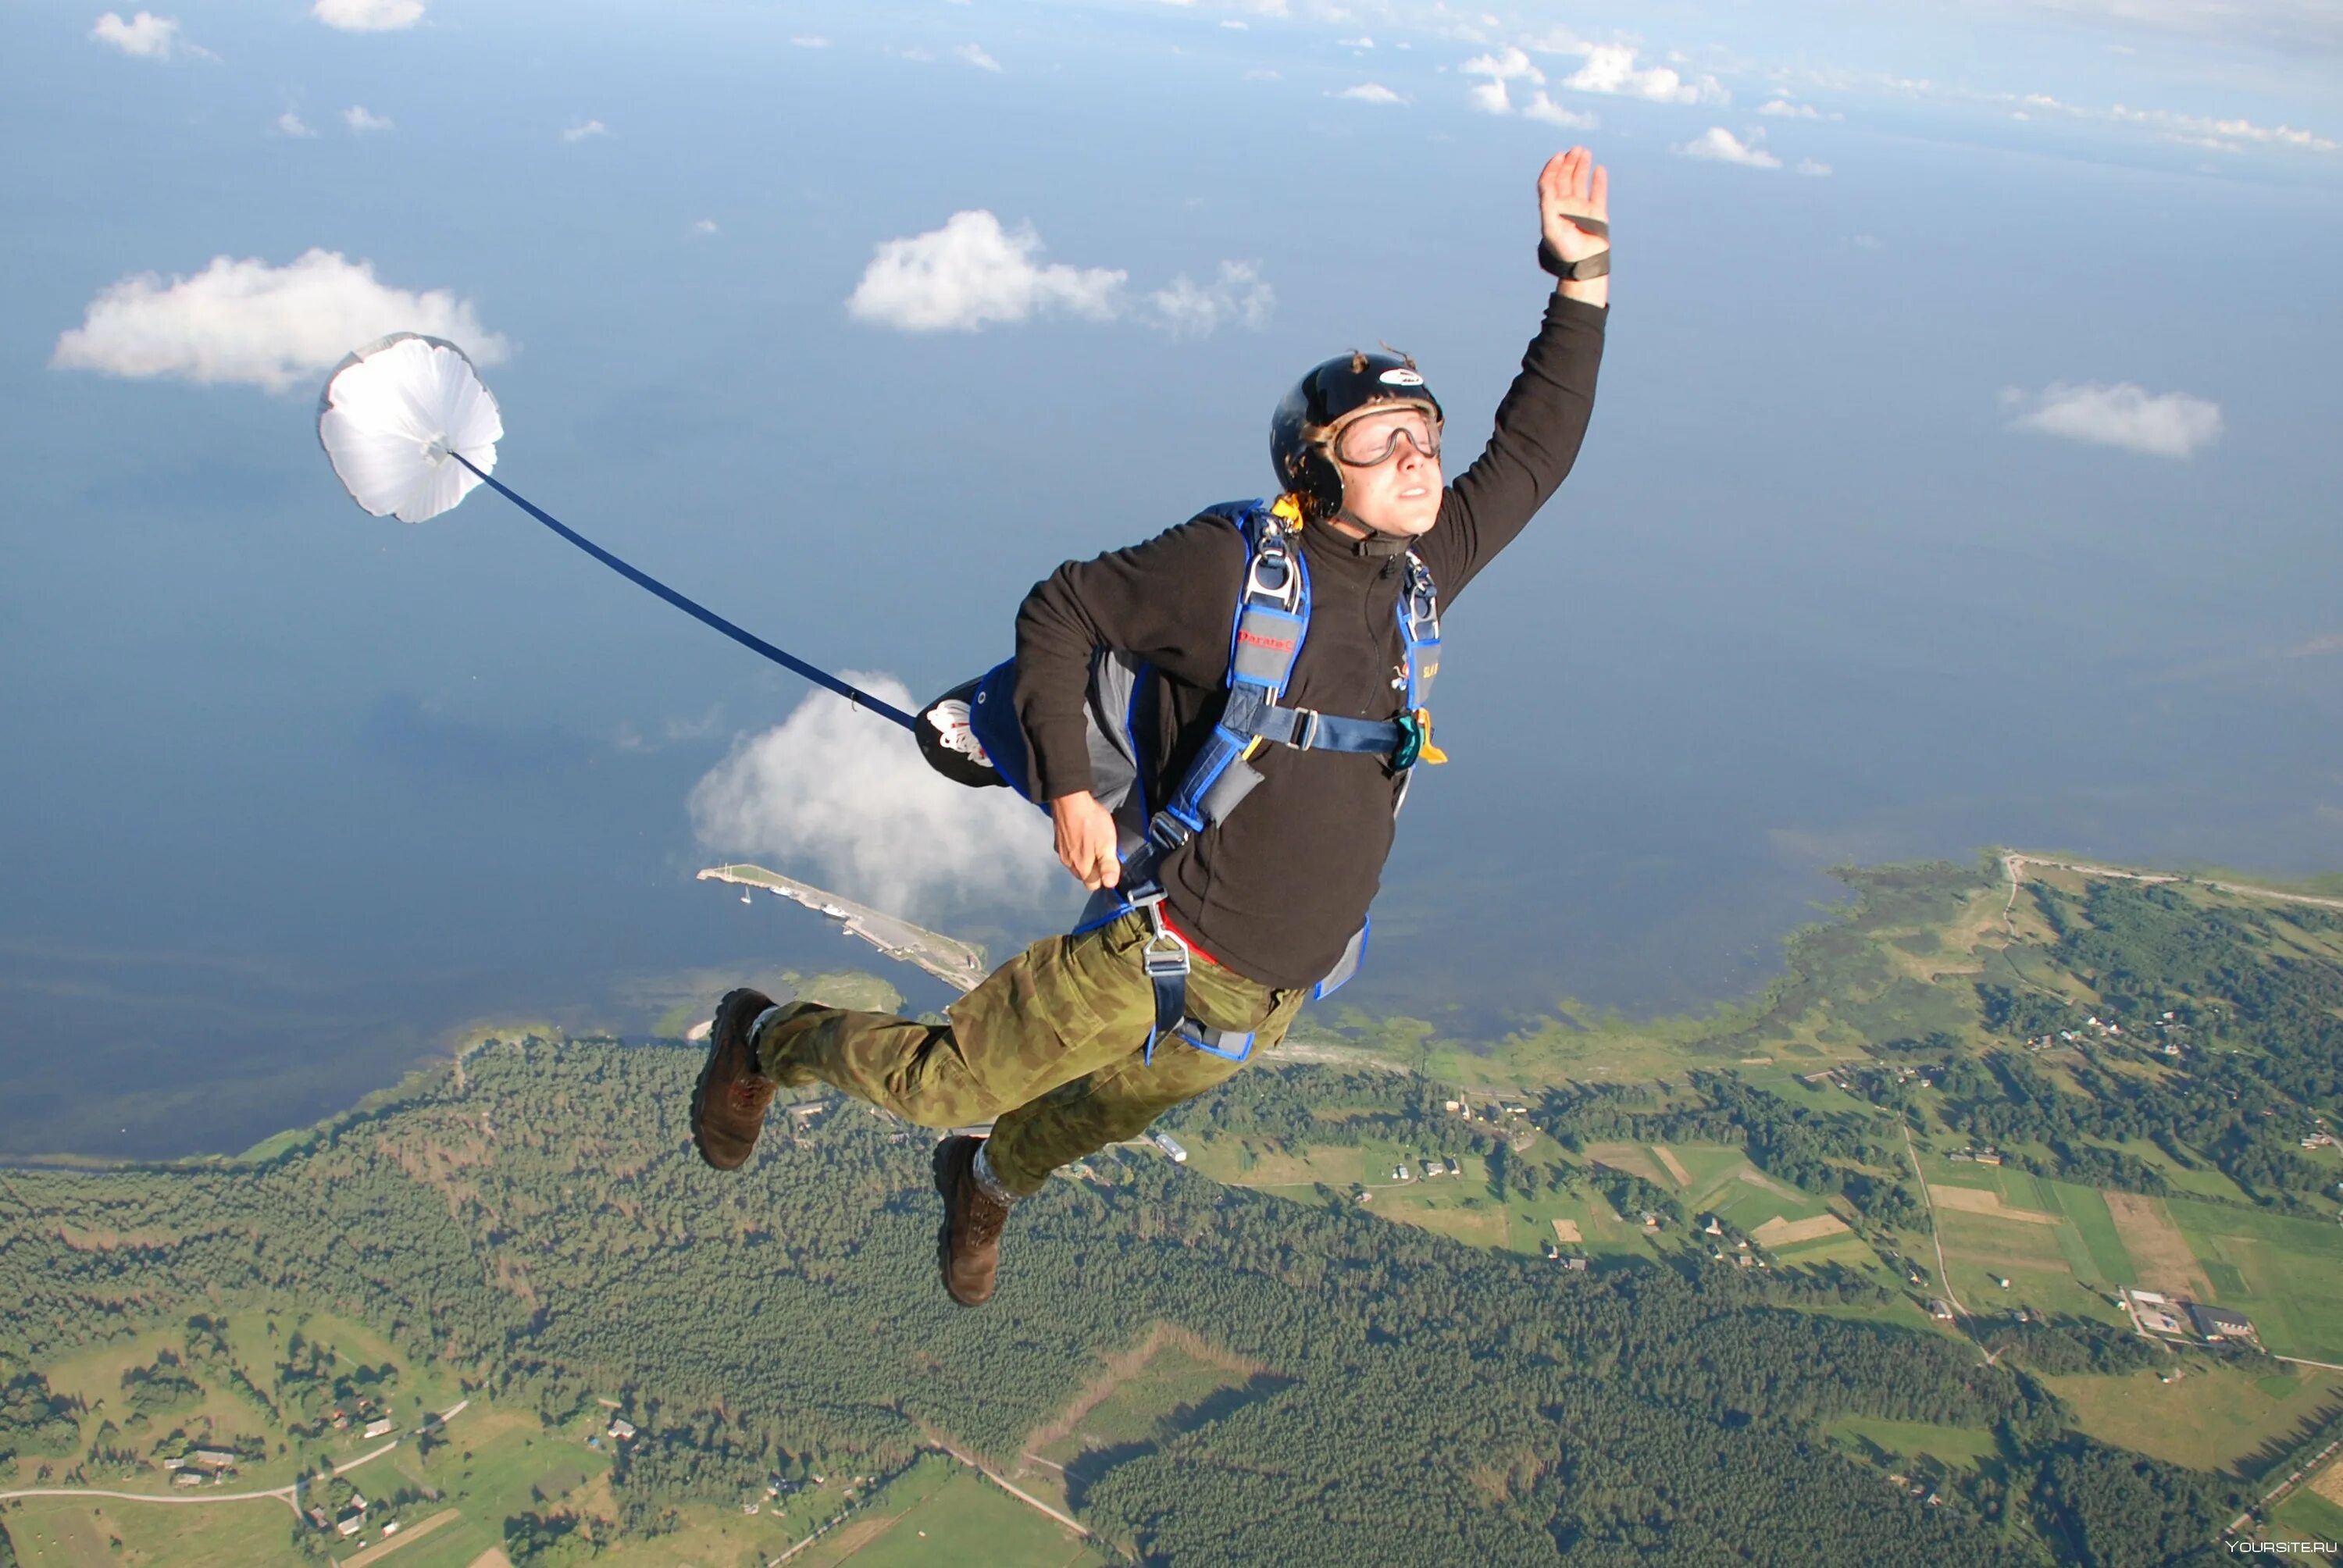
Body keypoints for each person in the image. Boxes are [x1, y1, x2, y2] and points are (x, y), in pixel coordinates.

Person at [691, 147, 1611, 1308]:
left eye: (1425, 434)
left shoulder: (1421, 575)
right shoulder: (1234, 572)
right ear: (1312, 470)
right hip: (1164, 942)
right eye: (1382, 440)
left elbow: (1537, 452)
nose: (1419, 458)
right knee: (945, 1079)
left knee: (1082, 1124)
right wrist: (1072, 791)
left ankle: (980, 1182)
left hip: (1282, 987)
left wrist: (1580, 283)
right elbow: (1063, 608)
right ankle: (763, 1040)